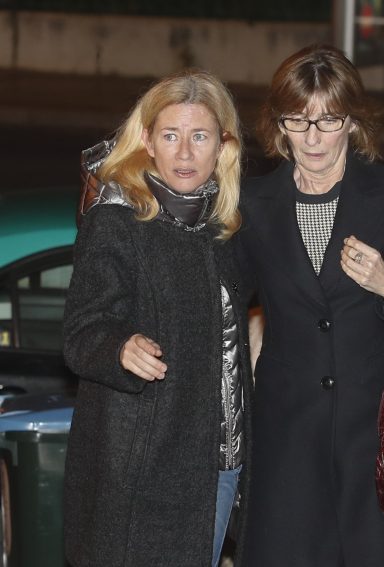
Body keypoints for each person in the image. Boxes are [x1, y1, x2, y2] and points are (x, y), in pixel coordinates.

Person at [235, 44, 384, 567]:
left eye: (328, 121)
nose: (312, 138)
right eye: (298, 120)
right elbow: (218, 297)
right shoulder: (252, 203)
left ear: (352, 121)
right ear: (279, 124)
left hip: (376, 439)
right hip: (286, 439)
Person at [63, 69, 251, 566]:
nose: (185, 153)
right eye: (170, 136)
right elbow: (83, 331)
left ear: (223, 145)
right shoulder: (117, 219)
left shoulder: (224, 227)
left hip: (219, 465)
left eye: (200, 137)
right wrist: (119, 347)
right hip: (143, 468)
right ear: (147, 141)